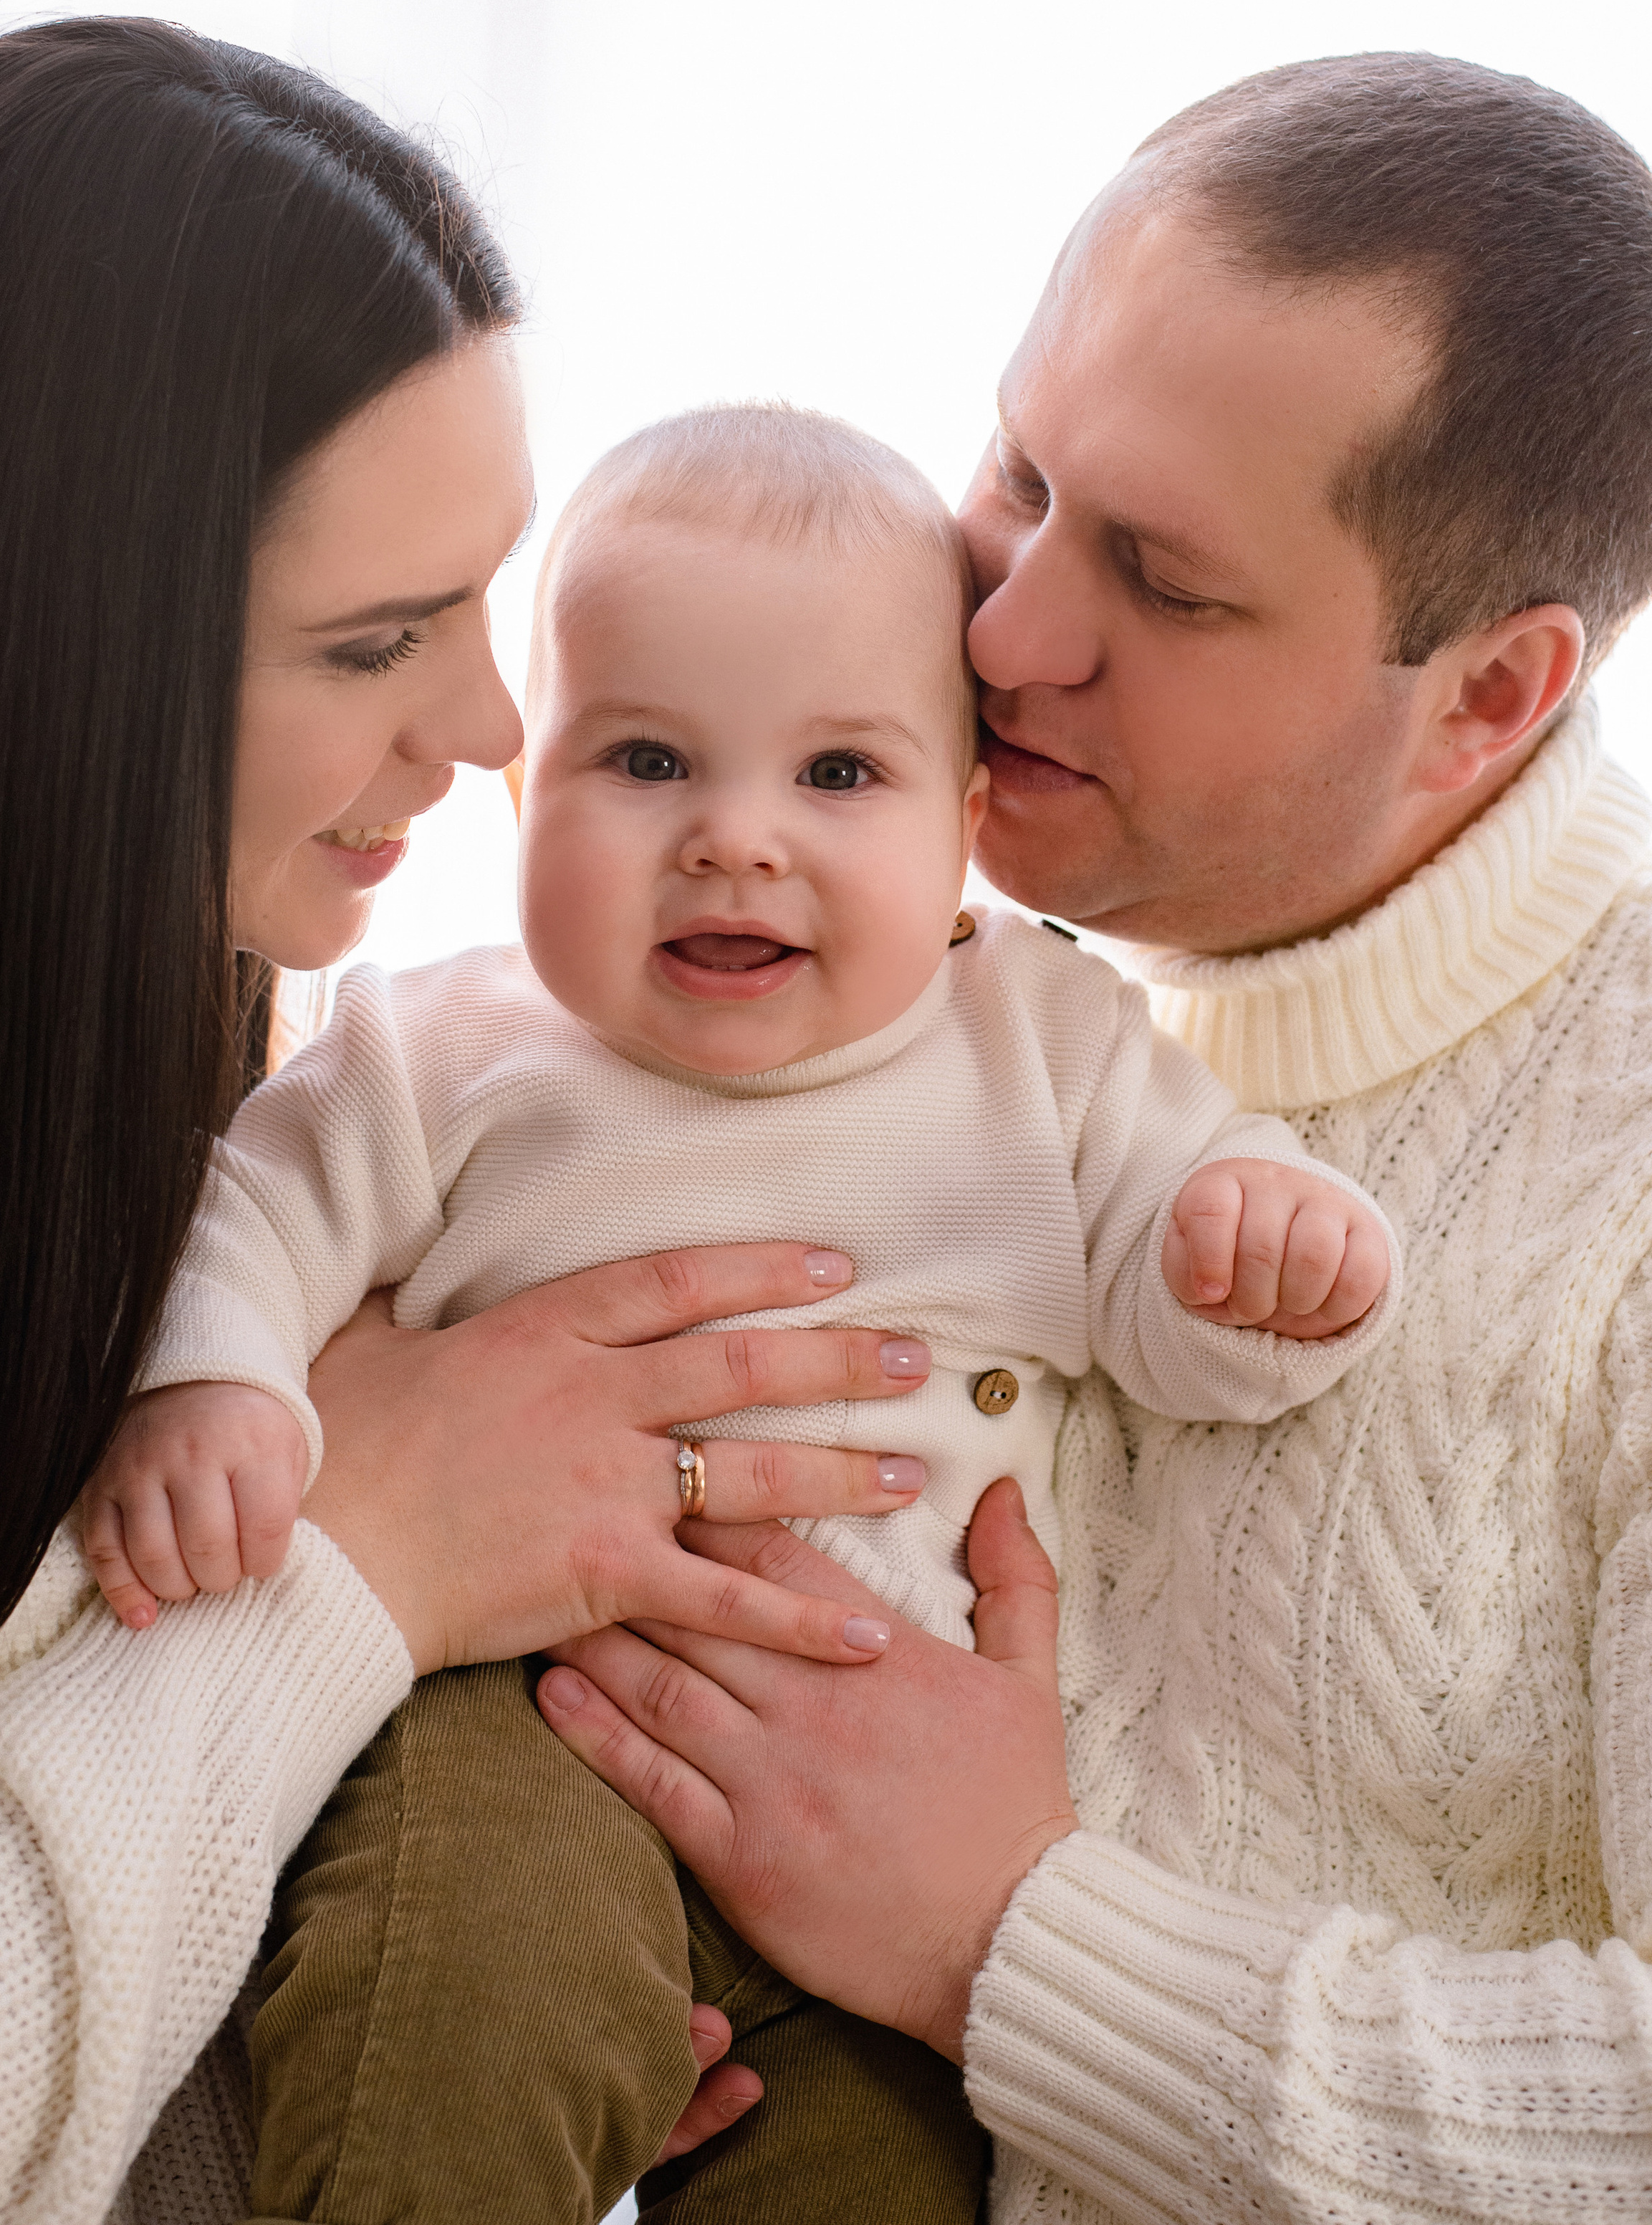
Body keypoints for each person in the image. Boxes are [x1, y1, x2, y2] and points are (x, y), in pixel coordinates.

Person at [0, 18, 935, 2225]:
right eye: (374, 643)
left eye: (488, 601)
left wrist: (480, 2013)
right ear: (56, 658)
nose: (498, 723)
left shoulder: (194, 1047)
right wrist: (369, 1563)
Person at [534, 54, 1652, 2219]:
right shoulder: (895, 948)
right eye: (1021, 472)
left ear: (1491, 698)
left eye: (1165, 581)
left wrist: (1011, 1945)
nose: (1008, 626)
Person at [83, 403, 1398, 2223]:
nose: (735, 843)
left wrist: (1256, 1261)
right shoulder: (445, 1047)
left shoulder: (1045, 1046)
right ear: (527, 793)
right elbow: (253, 1214)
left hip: (885, 1826)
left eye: (838, 778)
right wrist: (220, 1384)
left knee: (878, 2182)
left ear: (964, 825)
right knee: (453, 2043)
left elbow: (1180, 1315)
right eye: (644, 760)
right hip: (519, 1723)